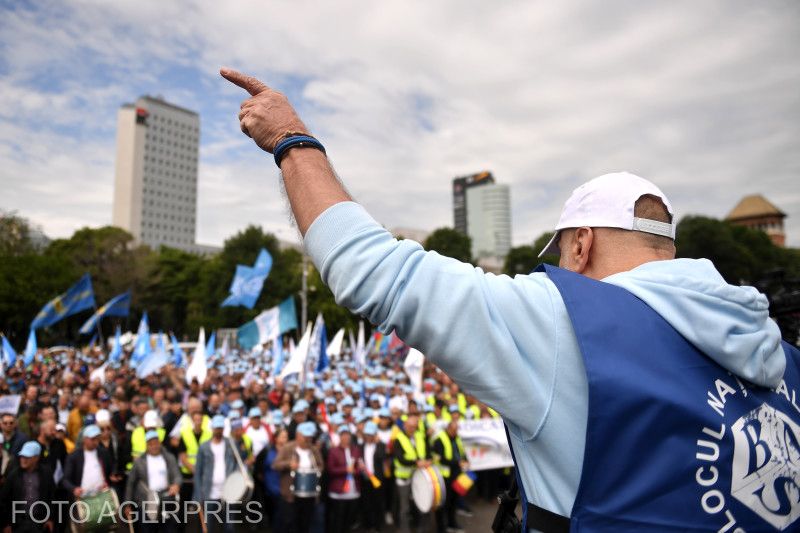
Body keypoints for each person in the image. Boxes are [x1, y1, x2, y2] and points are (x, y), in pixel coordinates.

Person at [220, 68, 800, 531]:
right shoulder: (785, 355)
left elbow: (374, 272)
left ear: (581, 243)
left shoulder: (566, 323)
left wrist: (292, 142)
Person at [124, 430, 182, 533]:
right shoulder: (139, 461)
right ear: (146, 445)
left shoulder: (169, 458)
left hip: (166, 499)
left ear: (159, 443)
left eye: (156, 443)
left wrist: (176, 484)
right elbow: (131, 483)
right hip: (146, 501)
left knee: (169, 529)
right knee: (148, 530)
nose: (154, 446)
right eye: (150, 444)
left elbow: (177, 475)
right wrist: (127, 504)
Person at [272, 421, 324, 533]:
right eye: (305, 436)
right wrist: (288, 464)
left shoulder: (313, 450)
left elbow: (320, 465)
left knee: (306, 523)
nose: (308, 439)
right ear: (298, 435)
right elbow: (275, 465)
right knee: (290, 524)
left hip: (309, 495)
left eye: (310, 437)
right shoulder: (288, 448)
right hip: (291, 496)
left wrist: (315, 471)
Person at [192, 415, 237, 533]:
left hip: (228, 492)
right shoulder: (204, 447)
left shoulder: (230, 444)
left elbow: (238, 464)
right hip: (209, 493)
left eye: (221, 428)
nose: (219, 430)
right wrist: (198, 495)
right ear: (212, 428)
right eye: (217, 428)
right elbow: (198, 473)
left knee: (229, 527)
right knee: (208, 527)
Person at [0, 441, 55, 533]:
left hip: (39, 522)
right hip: (17, 523)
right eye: (22, 456)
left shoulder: (46, 473)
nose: (23, 459)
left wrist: (50, 518)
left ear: (36, 458)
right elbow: (3, 500)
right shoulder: (13, 475)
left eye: (27, 457)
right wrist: (5, 524)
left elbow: (52, 496)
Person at [391, 413, 429, 531]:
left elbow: (426, 452)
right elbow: (400, 459)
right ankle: (404, 530)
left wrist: (427, 460)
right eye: (410, 426)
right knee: (405, 508)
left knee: (421, 504)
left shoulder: (419, 436)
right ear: (405, 426)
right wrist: (416, 463)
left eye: (415, 426)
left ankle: (420, 529)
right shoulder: (399, 439)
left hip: (419, 477)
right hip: (404, 478)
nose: (412, 429)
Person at [430, 420, 468, 533]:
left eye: (457, 430)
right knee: (442, 504)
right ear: (448, 428)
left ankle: (452, 524)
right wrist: (457, 463)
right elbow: (439, 459)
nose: (455, 432)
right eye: (453, 430)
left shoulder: (456, 437)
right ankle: (441, 528)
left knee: (454, 501)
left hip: (457, 474)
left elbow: (462, 452)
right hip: (444, 477)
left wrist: (466, 460)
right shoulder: (439, 440)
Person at [327, 426, 362, 533]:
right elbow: (330, 469)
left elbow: (358, 468)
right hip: (339, 491)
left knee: (350, 519)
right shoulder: (333, 451)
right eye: (343, 435)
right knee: (338, 519)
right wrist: (345, 470)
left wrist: (356, 470)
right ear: (340, 436)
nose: (346, 437)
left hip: (353, 490)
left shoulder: (356, 450)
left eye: (348, 435)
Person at [359, 421, 388, 533]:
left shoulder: (381, 445)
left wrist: (379, 442)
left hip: (377, 479)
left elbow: (382, 456)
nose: (368, 437)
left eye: (371, 434)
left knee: (378, 503)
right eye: (367, 434)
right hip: (365, 479)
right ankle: (367, 525)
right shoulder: (360, 446)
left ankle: (377, 526)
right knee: (366, 502)